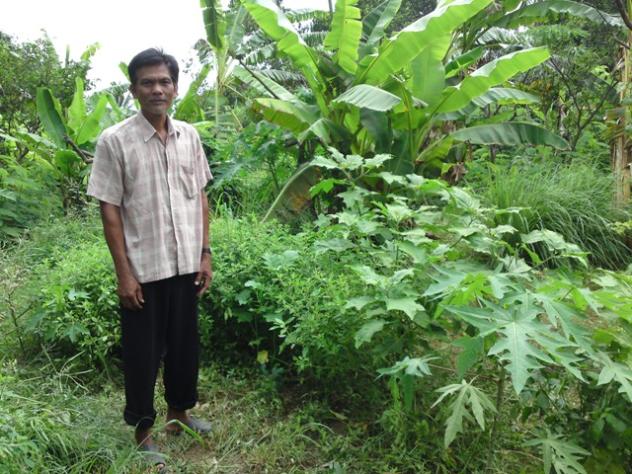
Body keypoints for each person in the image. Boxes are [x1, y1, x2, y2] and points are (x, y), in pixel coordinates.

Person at [87, 48, 213, 471]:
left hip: (186, 264)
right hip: (144, 268)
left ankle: (179, 415)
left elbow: (200, 196)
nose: (157, 89)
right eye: (148, 82)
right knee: (142, 355)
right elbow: (109, 209)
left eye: (164, 81)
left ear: (175, 88)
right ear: (134, 90)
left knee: (184, 346)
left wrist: (205, 253)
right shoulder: (115, 141)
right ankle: (143, 431)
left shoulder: (189, 136)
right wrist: (124, 274)